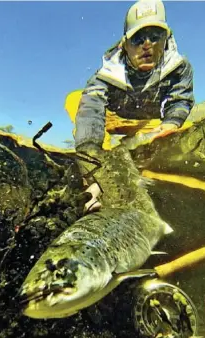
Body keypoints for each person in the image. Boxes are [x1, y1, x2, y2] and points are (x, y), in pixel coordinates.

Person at [75, 0, 194, 212]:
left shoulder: (180, 68)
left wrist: (172, 123)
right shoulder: (103, 78)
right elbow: (90, 114)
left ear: (166, 39)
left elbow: (181, 99)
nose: (147, 44)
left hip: (148, 123)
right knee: (76, 100)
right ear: (124, 45)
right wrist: (92, 173)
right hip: (112, 120)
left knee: (181, 138)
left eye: (155, 36)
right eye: (138, 38)